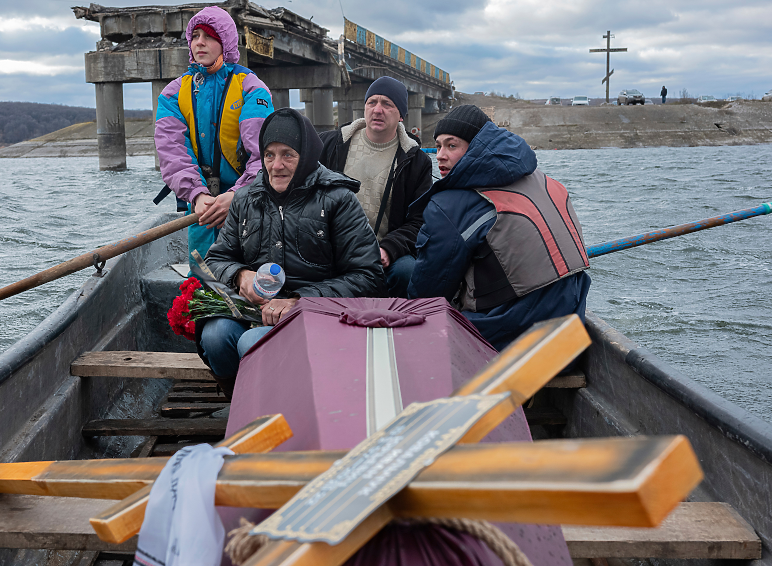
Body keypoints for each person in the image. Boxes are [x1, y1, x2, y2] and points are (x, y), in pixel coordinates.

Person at [200, 108, 385, 394]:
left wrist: (300, 301)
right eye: (269, 155)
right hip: (259, 311)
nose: (276, 165)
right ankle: (242, 402)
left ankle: (286, 407)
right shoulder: (246, 199)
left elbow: (368, 275)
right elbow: (216, 259)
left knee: (254, 343)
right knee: (215, 336)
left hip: (319, 315)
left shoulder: (338, 199)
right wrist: (241, 276)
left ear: (307, 155)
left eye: (288, 154)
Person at [408, 105, 591, 351]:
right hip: (571, 324)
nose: (440, 155)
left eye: (452, 146)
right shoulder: (542, 179)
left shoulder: (451, 205)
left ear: (476, 147)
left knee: (417, 323)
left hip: (518, 330)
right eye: (438, 146)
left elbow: (427, 293)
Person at [154, 6, 274, 269]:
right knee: (205, 281)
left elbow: (265, 155)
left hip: (247, 203)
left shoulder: (251, 87)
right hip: (202, 206)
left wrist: (237, 196)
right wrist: (196, 195)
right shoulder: (172, 94)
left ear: (225, 42)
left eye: (208, 36)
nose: (200, 42)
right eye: (195, 36)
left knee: (248, 279)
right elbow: (172, 153)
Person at [318, 76, 433, 298]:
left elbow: (420, 221)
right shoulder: (331, 144)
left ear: (401, 115)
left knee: (408, 270)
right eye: (372, 102)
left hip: (381, 256)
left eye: (387, 104)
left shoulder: (416, 162)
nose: (377, 110)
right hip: (330, 249)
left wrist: (389, 249)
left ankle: (394, 322)